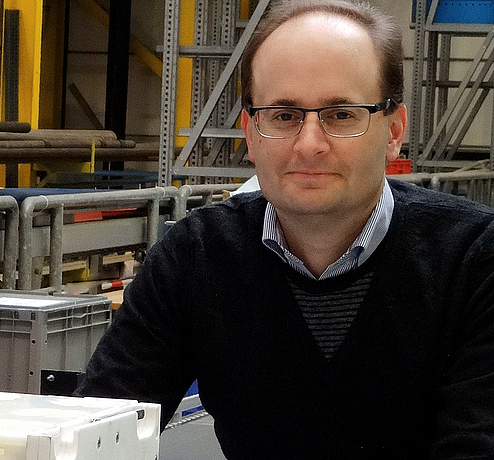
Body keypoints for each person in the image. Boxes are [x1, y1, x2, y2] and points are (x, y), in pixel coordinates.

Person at [76, 0, 494, 457]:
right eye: (283, 115)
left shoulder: (475, 260)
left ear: (394, 129)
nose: (310, 144)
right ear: (252, 134)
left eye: (341, 115)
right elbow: (100, 427)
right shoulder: (194, 256)